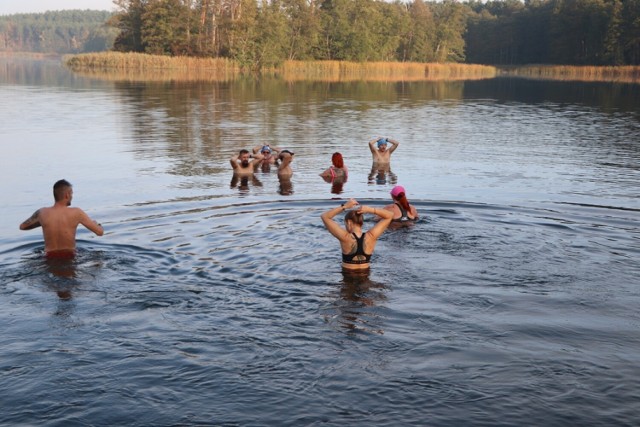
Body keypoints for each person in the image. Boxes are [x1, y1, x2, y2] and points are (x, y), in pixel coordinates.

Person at [19, 179, 104, 258]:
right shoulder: (77, 212)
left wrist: (43, 222)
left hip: (49, 257)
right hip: (70, 256)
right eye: (72, 194)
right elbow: (99, 232)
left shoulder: (42, 213)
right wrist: (97, 224)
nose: (72, 196)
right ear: (67, 195)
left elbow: (22, 227)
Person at [321, 198, 394, 271]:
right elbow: (390, 215)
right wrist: (370, 209)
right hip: (365, 275)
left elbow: (325, 216)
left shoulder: (345, 237)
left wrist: (345, 206)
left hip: (348, 275)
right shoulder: (371, 236)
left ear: (349, 222)